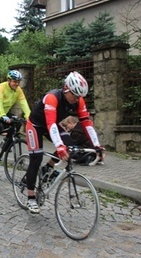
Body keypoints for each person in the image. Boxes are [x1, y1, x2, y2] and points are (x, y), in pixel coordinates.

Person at [23, 71, 104, 214]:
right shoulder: (52, 97)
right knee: (36, 158)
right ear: (66, 89)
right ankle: (30, 197)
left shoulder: (78, 100)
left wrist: (97, 146)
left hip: (51, 124)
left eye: (79, 96)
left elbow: (86, 123)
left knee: (69, 143)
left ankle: (47, 168)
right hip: (35, 125)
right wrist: (58, 146)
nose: (76, 99)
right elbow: (50, 124)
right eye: (74, 95)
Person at [0, 70, 31, 172]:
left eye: (18, 81)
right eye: (14, 81)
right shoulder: (1, 87)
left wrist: (29, 117)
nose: (16, 84)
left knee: (18, 122)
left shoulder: (18, 90)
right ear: (8, 80)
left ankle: (6, 141)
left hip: (4, 111)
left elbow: (23, 103)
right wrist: (2, 115)